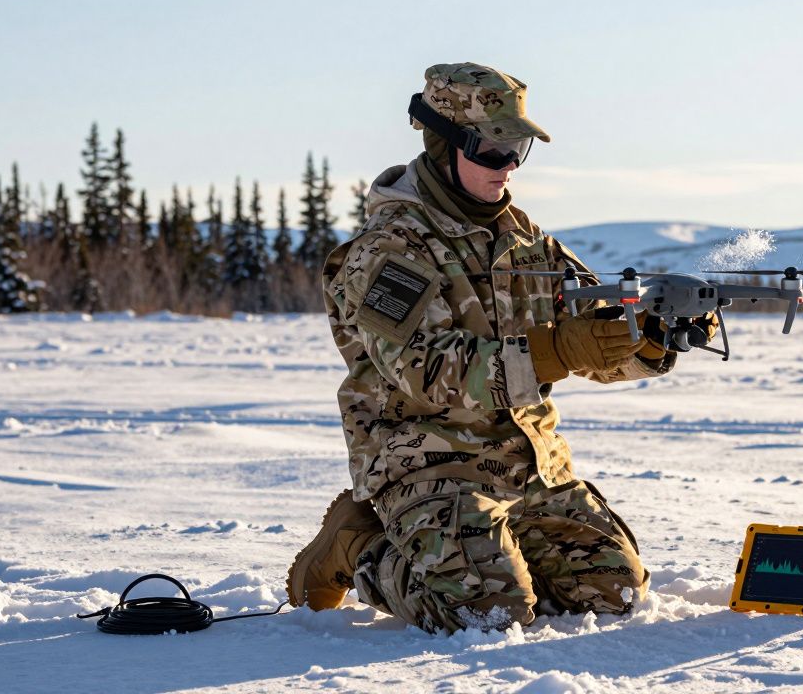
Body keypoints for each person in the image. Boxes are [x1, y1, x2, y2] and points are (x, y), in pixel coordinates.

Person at [286, 62, 713, 634]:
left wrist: (650, 336)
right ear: (445, 145)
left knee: (612, 596)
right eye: (493, 149)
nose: (508, 164)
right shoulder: (388, 250)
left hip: (531, 465)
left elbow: (591, 332)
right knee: (484, 614)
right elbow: (424, 368)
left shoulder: (527, 240)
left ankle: (493, 554)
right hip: (431, 466)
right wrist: (554, 351)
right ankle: (358, 546)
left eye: (518, 149)